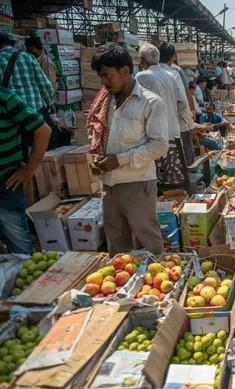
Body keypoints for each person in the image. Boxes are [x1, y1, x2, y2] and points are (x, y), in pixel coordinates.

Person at [90, 46, 168, 255]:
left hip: (137, 183)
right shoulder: (104, 103)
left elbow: (159, 145)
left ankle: (157, 281)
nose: (104, 82)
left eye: (108, 75)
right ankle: (124, 284)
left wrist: (121, 159)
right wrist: (98, 160)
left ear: (125, 71)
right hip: (109, 184)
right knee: (116, 241)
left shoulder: (150, 103)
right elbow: (99, 136)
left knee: (147, 239)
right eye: (101, 77)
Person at [0, 87, 51, 254]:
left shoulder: (6, 98)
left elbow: (43, 130)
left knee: (17, 241)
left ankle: (25, 273)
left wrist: (29, 169)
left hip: (6, 182)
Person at [0, 32, 54, 154]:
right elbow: (46, 85)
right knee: (42, 153)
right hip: (36, 112)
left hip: (13, 118)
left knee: (20, 154)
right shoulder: (27, 57)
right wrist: (50, 105)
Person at [158, 42, 196, 162]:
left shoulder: (147, 73)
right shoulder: (175, 72)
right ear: (173, 56)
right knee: (185, 154)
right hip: (178, 122)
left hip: (159, 125)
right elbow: (184, 99)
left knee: (167, 157)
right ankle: (189, 175)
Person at [136, 43, 180, 140]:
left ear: (143, 60)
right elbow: (181, 103)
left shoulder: (141, 76)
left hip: (155, 135)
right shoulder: (171, 76)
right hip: (173, 132)